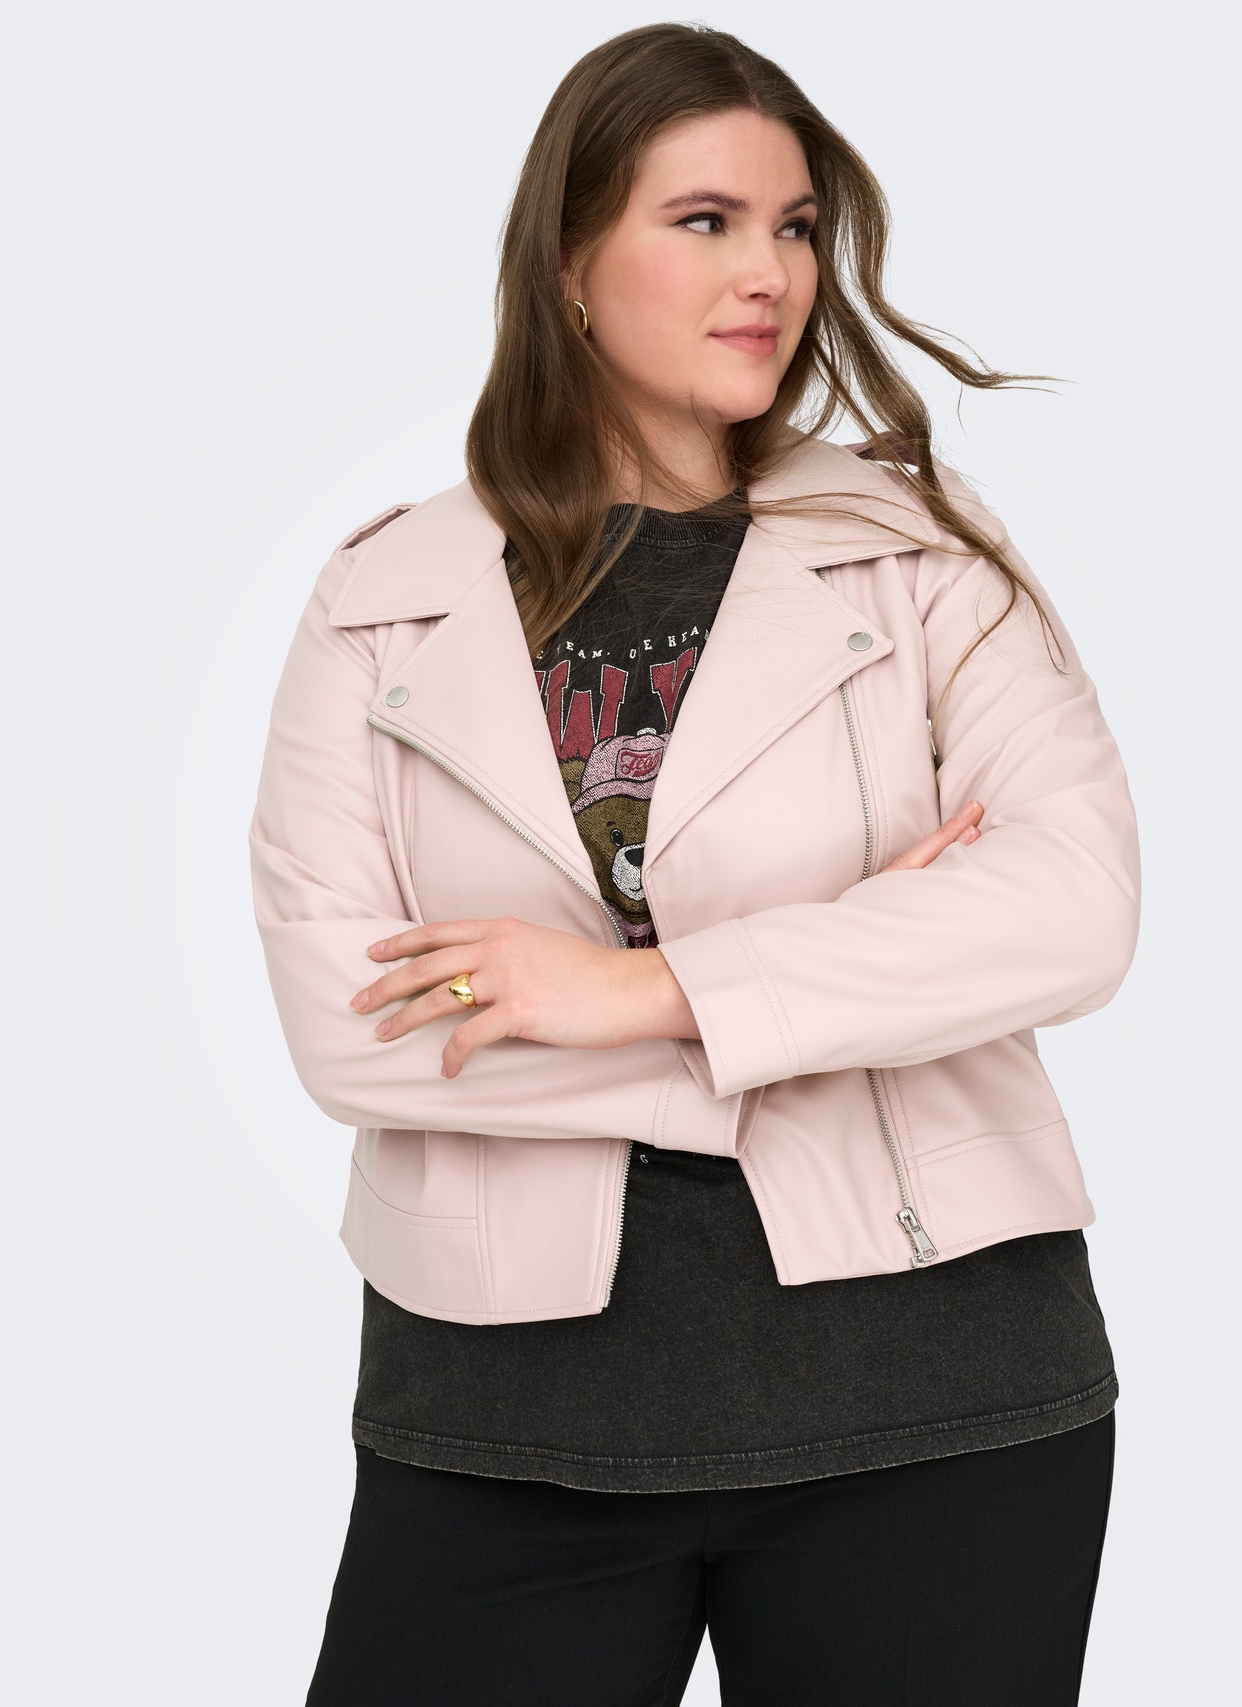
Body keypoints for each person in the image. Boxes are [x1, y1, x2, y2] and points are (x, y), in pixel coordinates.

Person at [248, 23, 1139, 1706]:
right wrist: (845, 990)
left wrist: (633, 993)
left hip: (940, 1401)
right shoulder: (382, 601)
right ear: (569, 266)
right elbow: (349, 1029)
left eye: (795, 226)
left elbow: (1073, 910)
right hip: (501, 1419)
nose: (771, 275)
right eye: (705, 222)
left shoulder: (922, 560)